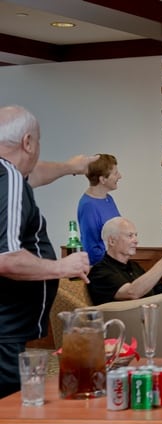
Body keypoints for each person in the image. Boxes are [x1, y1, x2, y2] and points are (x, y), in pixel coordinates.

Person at [0, 105, 94, 398]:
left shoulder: (9, 175)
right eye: (38, 142)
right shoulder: (10, 178)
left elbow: (34, 174)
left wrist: (72, 167)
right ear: (28, 142)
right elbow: (5, 258)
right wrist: (62, 268)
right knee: (11, 410)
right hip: (5, 332)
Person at [87, 217, 162, 305]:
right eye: (130, 236)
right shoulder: (99, 271)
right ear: (112, 241)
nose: (136, 240)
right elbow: (132, 293)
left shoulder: (134, 266)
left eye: (136, 235)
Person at [77, 153, 122, 265]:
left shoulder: (109, 199)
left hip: (115, 263)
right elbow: (91, 250)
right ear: (102, 179)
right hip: (103, 267)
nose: (120, 176)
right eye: (115, 173)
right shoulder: (88, 206)